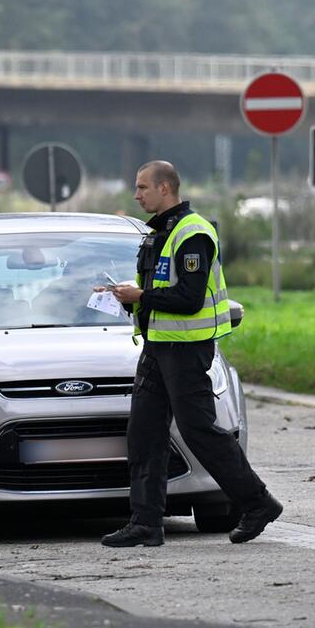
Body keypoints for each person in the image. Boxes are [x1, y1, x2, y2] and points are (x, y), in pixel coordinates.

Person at [100, 160, 282, 548]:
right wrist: (128, 298)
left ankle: (257, 502)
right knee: (144, 433)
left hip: (185, 352)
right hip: (157, 348)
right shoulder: (158, 233)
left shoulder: (193, 233)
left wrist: (142, 295)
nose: (136, 195)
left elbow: (188, 298)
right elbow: (159, 290)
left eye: (142, 187)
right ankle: (146, 522)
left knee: (198, 430)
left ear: (165, 189)